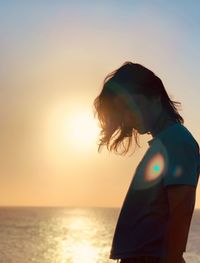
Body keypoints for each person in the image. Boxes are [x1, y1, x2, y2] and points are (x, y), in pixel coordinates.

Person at [93, 62, 200, 263]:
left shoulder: (176, 141)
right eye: (122, 110)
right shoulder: (165, 143)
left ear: (154, 96)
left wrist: (173, 259)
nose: (127, 117)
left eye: (131, 105)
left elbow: (181, 209)